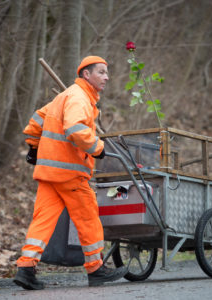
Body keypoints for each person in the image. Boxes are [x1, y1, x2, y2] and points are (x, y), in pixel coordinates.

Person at [13, 56, 127, 290]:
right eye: (102, 72)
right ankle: (96, 269)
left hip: (49, 172)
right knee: (88, 219)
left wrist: (33, 147)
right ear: (87, 74)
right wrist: (98, 148)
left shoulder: (64, 96)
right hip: (70, 173)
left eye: (107, 73)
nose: (107, 77)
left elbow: (35, 123)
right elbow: (75, 130)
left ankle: (26, 268)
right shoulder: (79, 98)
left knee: (43, 220)